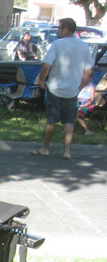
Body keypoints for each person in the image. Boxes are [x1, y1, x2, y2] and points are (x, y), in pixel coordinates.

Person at [33, 18, 94, 159]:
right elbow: (89, 71)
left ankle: (45, 148)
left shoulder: (57, 45)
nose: (58, 31)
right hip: (72, 90)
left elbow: (46, 66)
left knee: (51, 120)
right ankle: (67, 151)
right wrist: (81, 85)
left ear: (66, 29)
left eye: (59, 28)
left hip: (55, 88)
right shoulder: (84, 46)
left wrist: (42, 80)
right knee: (69, 122)